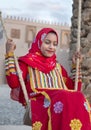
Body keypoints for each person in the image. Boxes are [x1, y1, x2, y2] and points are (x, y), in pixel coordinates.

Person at [5, 28, 91, 130]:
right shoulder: (26, 63)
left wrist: (75, 66)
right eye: (47, 42)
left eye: (55, 44)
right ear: (38, 42)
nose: (51, 47)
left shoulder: (57, 67)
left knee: (78, 95)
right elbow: (13, 83)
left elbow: (74, 89)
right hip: (40, 103)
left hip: (58, 101)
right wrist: (9, 55)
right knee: (63, 95)